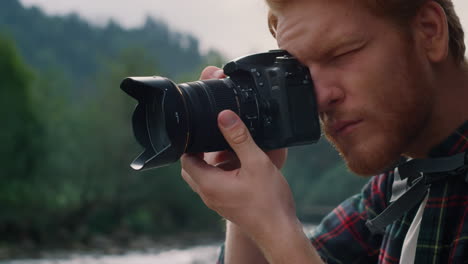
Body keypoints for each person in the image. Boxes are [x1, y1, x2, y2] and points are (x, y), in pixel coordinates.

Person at [180, 0, 468, 263]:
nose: (317, 98)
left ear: (429, 32)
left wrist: (275, 228)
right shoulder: (397, 189)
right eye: (301, 74)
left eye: (341, 54)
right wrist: (247, 209)